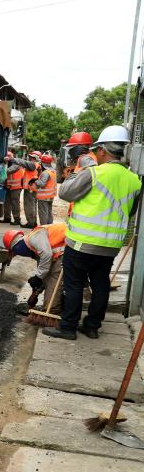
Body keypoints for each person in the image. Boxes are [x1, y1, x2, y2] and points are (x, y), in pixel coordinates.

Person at [44, 126, 141, 340]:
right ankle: (92, 326)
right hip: (110, 247)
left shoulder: (94, 173)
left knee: (74, 284)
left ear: (103, 150)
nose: (95, 154)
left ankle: (68, 327)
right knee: (101, 284)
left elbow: (65, 192)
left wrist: (79, 171)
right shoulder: (135, 180)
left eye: (97, 150)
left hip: (82, 243)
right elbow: (131, 211)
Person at [3, 223, 66, 315]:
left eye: (16, 252)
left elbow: (47, 255)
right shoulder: (35, 246)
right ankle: (58, 306)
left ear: (17, 246)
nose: (18, 254)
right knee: (48, 275)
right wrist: (36, 292)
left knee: (53, 277)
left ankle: (52, 311)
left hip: (70, 247)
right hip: (69, 246)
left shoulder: (34, 238)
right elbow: (44, 272)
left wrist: (38, 277)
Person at [1, 152, 25, 225]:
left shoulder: (16, 163)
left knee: (15, 203)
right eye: (7, 156)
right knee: (7, 202)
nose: (8, 157)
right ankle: (7, 218)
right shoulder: (8, 163)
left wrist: (3, 165)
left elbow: (8, 171)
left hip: (16, 187)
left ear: (12, 156)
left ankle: (17, 219)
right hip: (9, 186)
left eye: (9, 156)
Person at [33, 154, 57, 225]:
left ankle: (43, 227)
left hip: (43, 197)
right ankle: (49, 226)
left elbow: (42, 183)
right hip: (50, 196)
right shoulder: (53, 171)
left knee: (43, 212)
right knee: (49, 211)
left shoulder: (45, 173)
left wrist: (35, 181)